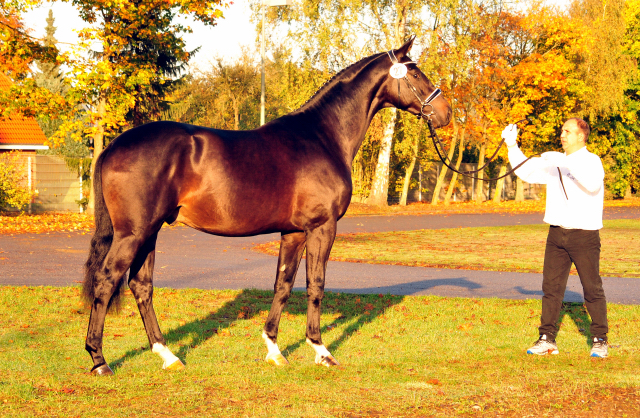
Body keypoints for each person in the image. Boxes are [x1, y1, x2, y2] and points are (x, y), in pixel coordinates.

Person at [502, 117, 609, 358]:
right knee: (551, 289)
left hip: (584, 235)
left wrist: (565, 162)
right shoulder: (555, 162)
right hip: (556, 234)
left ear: (581, 137)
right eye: (561, 130)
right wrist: (512, 145)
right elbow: (527, 171)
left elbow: (592, 185)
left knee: (592, 289)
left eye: (568, 131)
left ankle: (600, 340)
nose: (562, 135)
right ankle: (547, 339)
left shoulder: (592, 162)